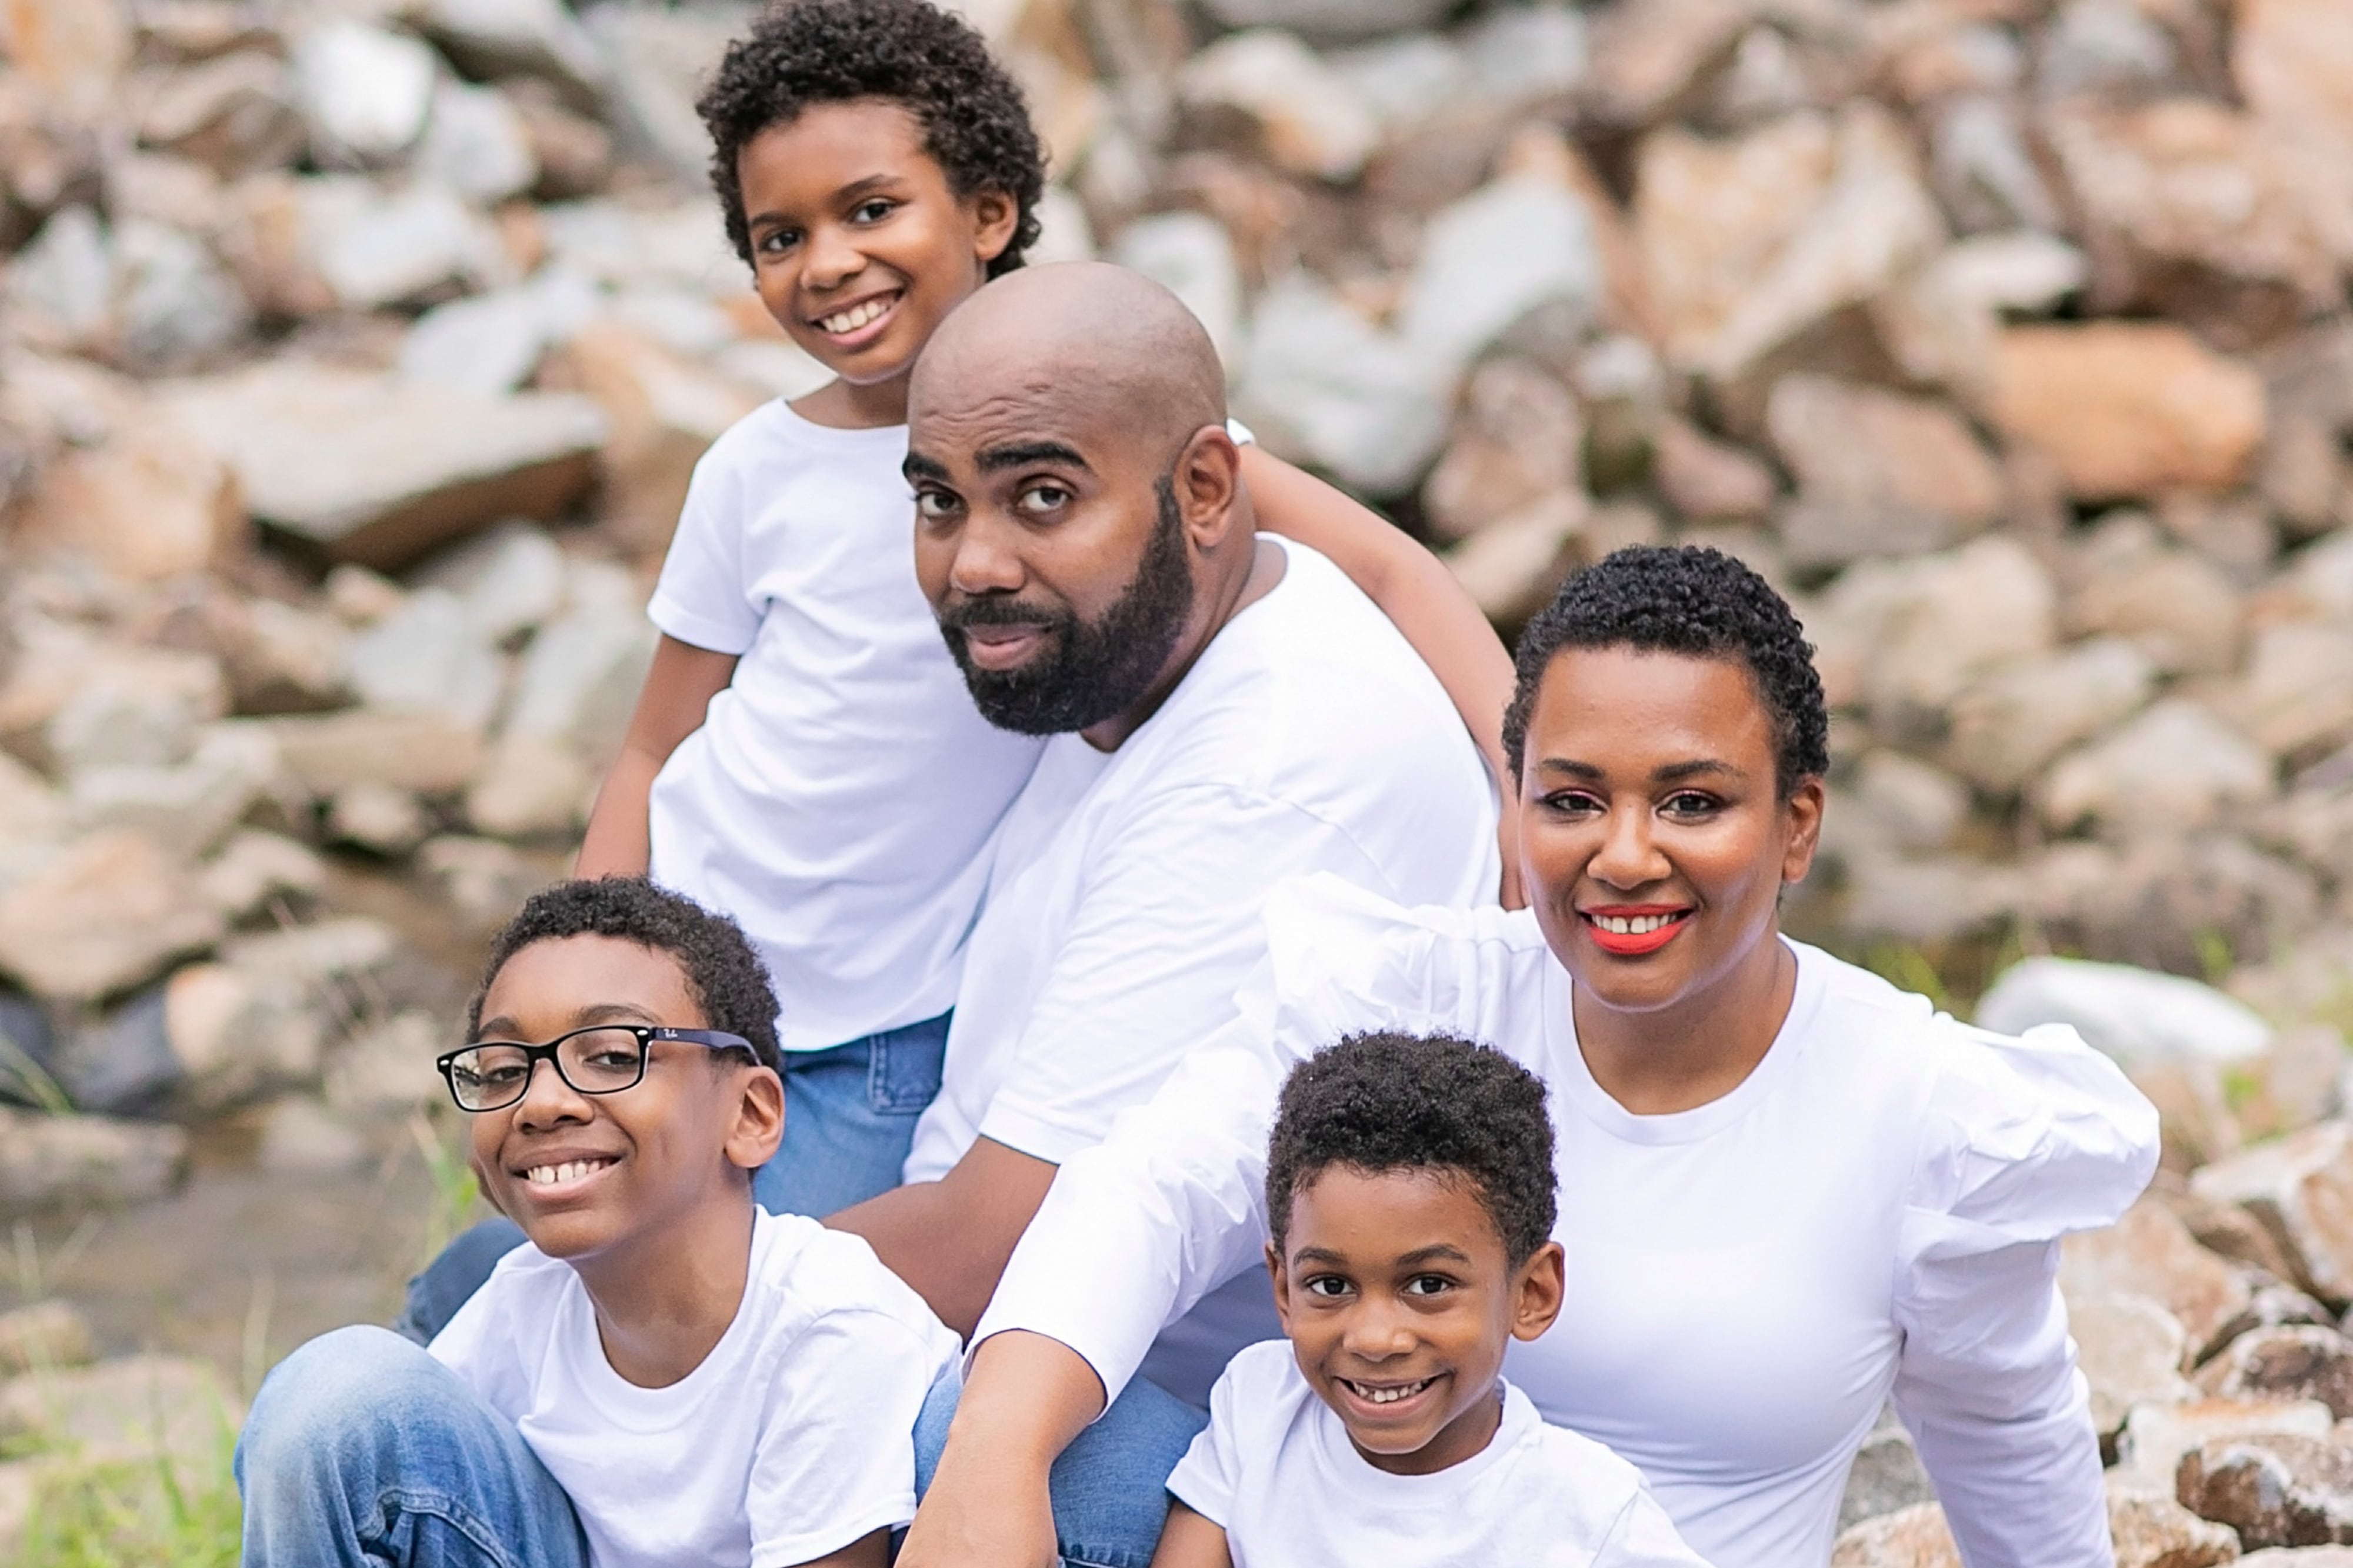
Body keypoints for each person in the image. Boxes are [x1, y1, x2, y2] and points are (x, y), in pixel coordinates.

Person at [906, 545, 2161, 1568]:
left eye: (1690, 801)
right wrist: (992, 1456)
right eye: (1569, 799)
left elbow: (2003, 1428)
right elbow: (1154, 1192)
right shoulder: (1408, 995)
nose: (1621, 854)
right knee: (951, 1415)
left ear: (1795, 824)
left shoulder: (1921, 1110)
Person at [573, 0, 1517, 1218]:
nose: (824, 263)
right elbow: (657, 740)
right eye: (776, 235)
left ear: (988, 212)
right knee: (565, 1244)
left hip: (892, 1028)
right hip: (696, 959)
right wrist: (594, 958)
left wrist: (1518, 779)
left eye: (870, 209)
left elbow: (1392, 570)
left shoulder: (1112, 415)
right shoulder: (753, 472)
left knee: (757, 1281)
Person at [811, 259, 1499, 1559]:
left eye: (1041, 500)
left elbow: (987, 1253)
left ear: (1198, 494)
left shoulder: (1269, 770)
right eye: (937, 504)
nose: (973, 564)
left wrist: (638, 1319)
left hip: (1165, 1437)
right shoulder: (1165, 612)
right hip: (1015, 1296)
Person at [237, 879, 959, 1568]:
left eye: (613, 1055)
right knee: (335, 1391)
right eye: (500, 1069)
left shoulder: (830, 1324)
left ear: (750, 1114)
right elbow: (399, 1484)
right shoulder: (523, 1302)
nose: (541, 1102)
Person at [1152, 1030, 1710, 1568]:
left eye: (1429, 1286)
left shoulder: (1591, 1511)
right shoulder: (1260, 1404)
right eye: (1330, 1285)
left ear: (1532, 1293)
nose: (1374, 1339)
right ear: (1283, 1288)